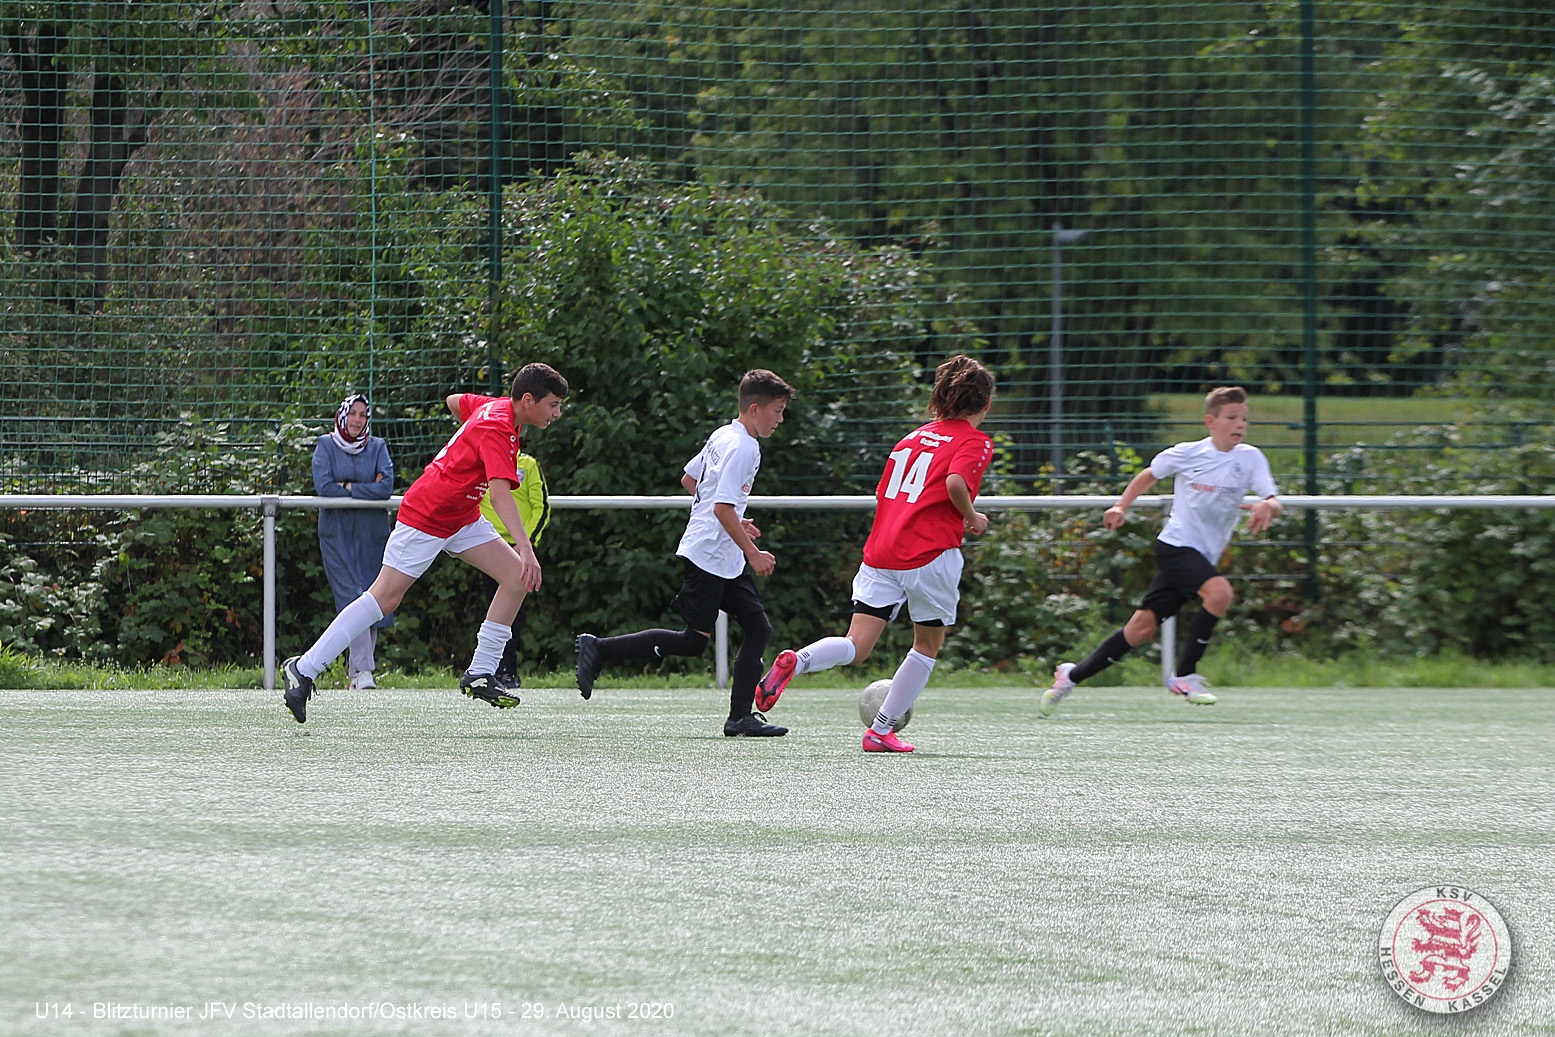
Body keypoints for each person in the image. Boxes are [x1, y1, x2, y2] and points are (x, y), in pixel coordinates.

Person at [281, 363, 568, 723]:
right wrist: (526, 550)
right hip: (428, 514)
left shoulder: (494, 407)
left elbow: (454, 401)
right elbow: (500, 496)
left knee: (515, 578)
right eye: (553, 404)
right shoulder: (498, 427)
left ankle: (481, 672)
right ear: (528, 400)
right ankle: (304, 668)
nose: (557, 413)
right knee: (384, 597)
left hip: (461, 517)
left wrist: (464, 446)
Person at [753, 355, 995, 753]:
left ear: (939, 399)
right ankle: (881, 730)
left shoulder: (911, 439)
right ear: (984, 405)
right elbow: (955, 482)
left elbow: (886, 493)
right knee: (926, 646)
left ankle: (798, 660)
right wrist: (972, 517)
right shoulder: (974, 441)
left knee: (856, 645)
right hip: (928, 554)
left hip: (881, 552)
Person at [574, 369, 794, 737]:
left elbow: (691, 481)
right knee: (694, 641)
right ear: (755, 409)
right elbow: (721, 508)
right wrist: (753, 551)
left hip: (720, 552)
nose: (780, 419)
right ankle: (598, 648)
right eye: (777, 410)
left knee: (758, 627)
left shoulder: (724, 434)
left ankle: (740, 717)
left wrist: (738, 518)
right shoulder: (744, 446)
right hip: (710, 553)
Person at [1040, 385, 1281, 716]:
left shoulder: (1250, 458)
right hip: (1176, 546)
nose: (1239, 424)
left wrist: (1268, 506)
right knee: (1220, 593)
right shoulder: (1187, 453)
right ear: (1211, 421)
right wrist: (1121, 507)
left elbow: (1271, 497)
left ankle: (1071, 675)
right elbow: (1149, 476)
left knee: (1140, 629)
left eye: (1244, 418)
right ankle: (1184, 675)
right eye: (1231, 417)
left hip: (1202, 555)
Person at [311, 393, 395, 691]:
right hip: (337, 534)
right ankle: (363, 671)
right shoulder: (325, 445)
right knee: (353, 597)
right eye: (353, 414)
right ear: (343, 415)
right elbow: (324, 486)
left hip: (372, 533)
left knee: (373, 599)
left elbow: (386, 487)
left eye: (363, 414)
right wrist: (364, 488)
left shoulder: (377, 447)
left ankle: (358, 671)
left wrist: (346, 487)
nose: (358, 420)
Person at [477, 450, 550, 687]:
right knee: (491, 607)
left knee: (515, 613)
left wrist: (524, 544)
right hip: (489, 546)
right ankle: (488, 669)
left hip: (521, 549)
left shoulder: (528, 464)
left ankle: (508, 670)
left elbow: (541, 507)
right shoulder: (483, 461)